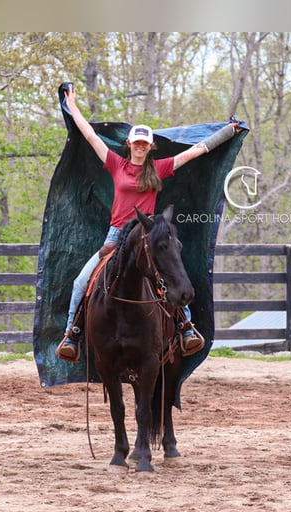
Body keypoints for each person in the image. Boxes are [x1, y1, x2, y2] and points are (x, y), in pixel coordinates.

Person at [56, 83, 240, 362]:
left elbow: (194, 151)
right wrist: (72, 107)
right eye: (137, 142)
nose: (140, 147)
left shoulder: (158, 168)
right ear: (130, 144)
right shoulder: (116, 164)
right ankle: (72, 334)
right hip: (116, 237)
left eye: (145, 143)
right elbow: (91, 136)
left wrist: (227, 133)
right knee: (82, 282)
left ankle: (186, 327)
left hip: (149, 235)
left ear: (150, 146)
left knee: (173, 274)